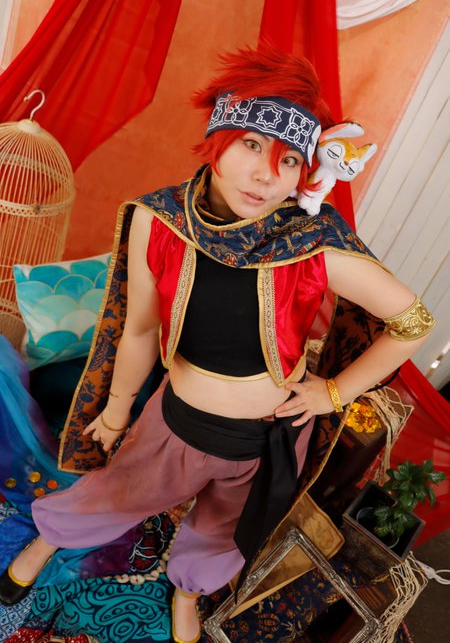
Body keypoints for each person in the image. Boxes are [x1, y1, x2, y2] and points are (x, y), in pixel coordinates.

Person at [0, 45, 435, 643]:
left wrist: (334, 392)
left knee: (223, 532)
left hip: (267, 439)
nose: (264, 174)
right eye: (251, 145)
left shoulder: (311, 246)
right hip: (176, 423)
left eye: (287, 160)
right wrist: (117, 410)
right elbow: (140, 329)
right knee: (114, 493)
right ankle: (48, 542)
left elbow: (413, 322)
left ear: (304, 172)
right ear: (218, 139)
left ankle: (187, 593)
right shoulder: (162, 221)